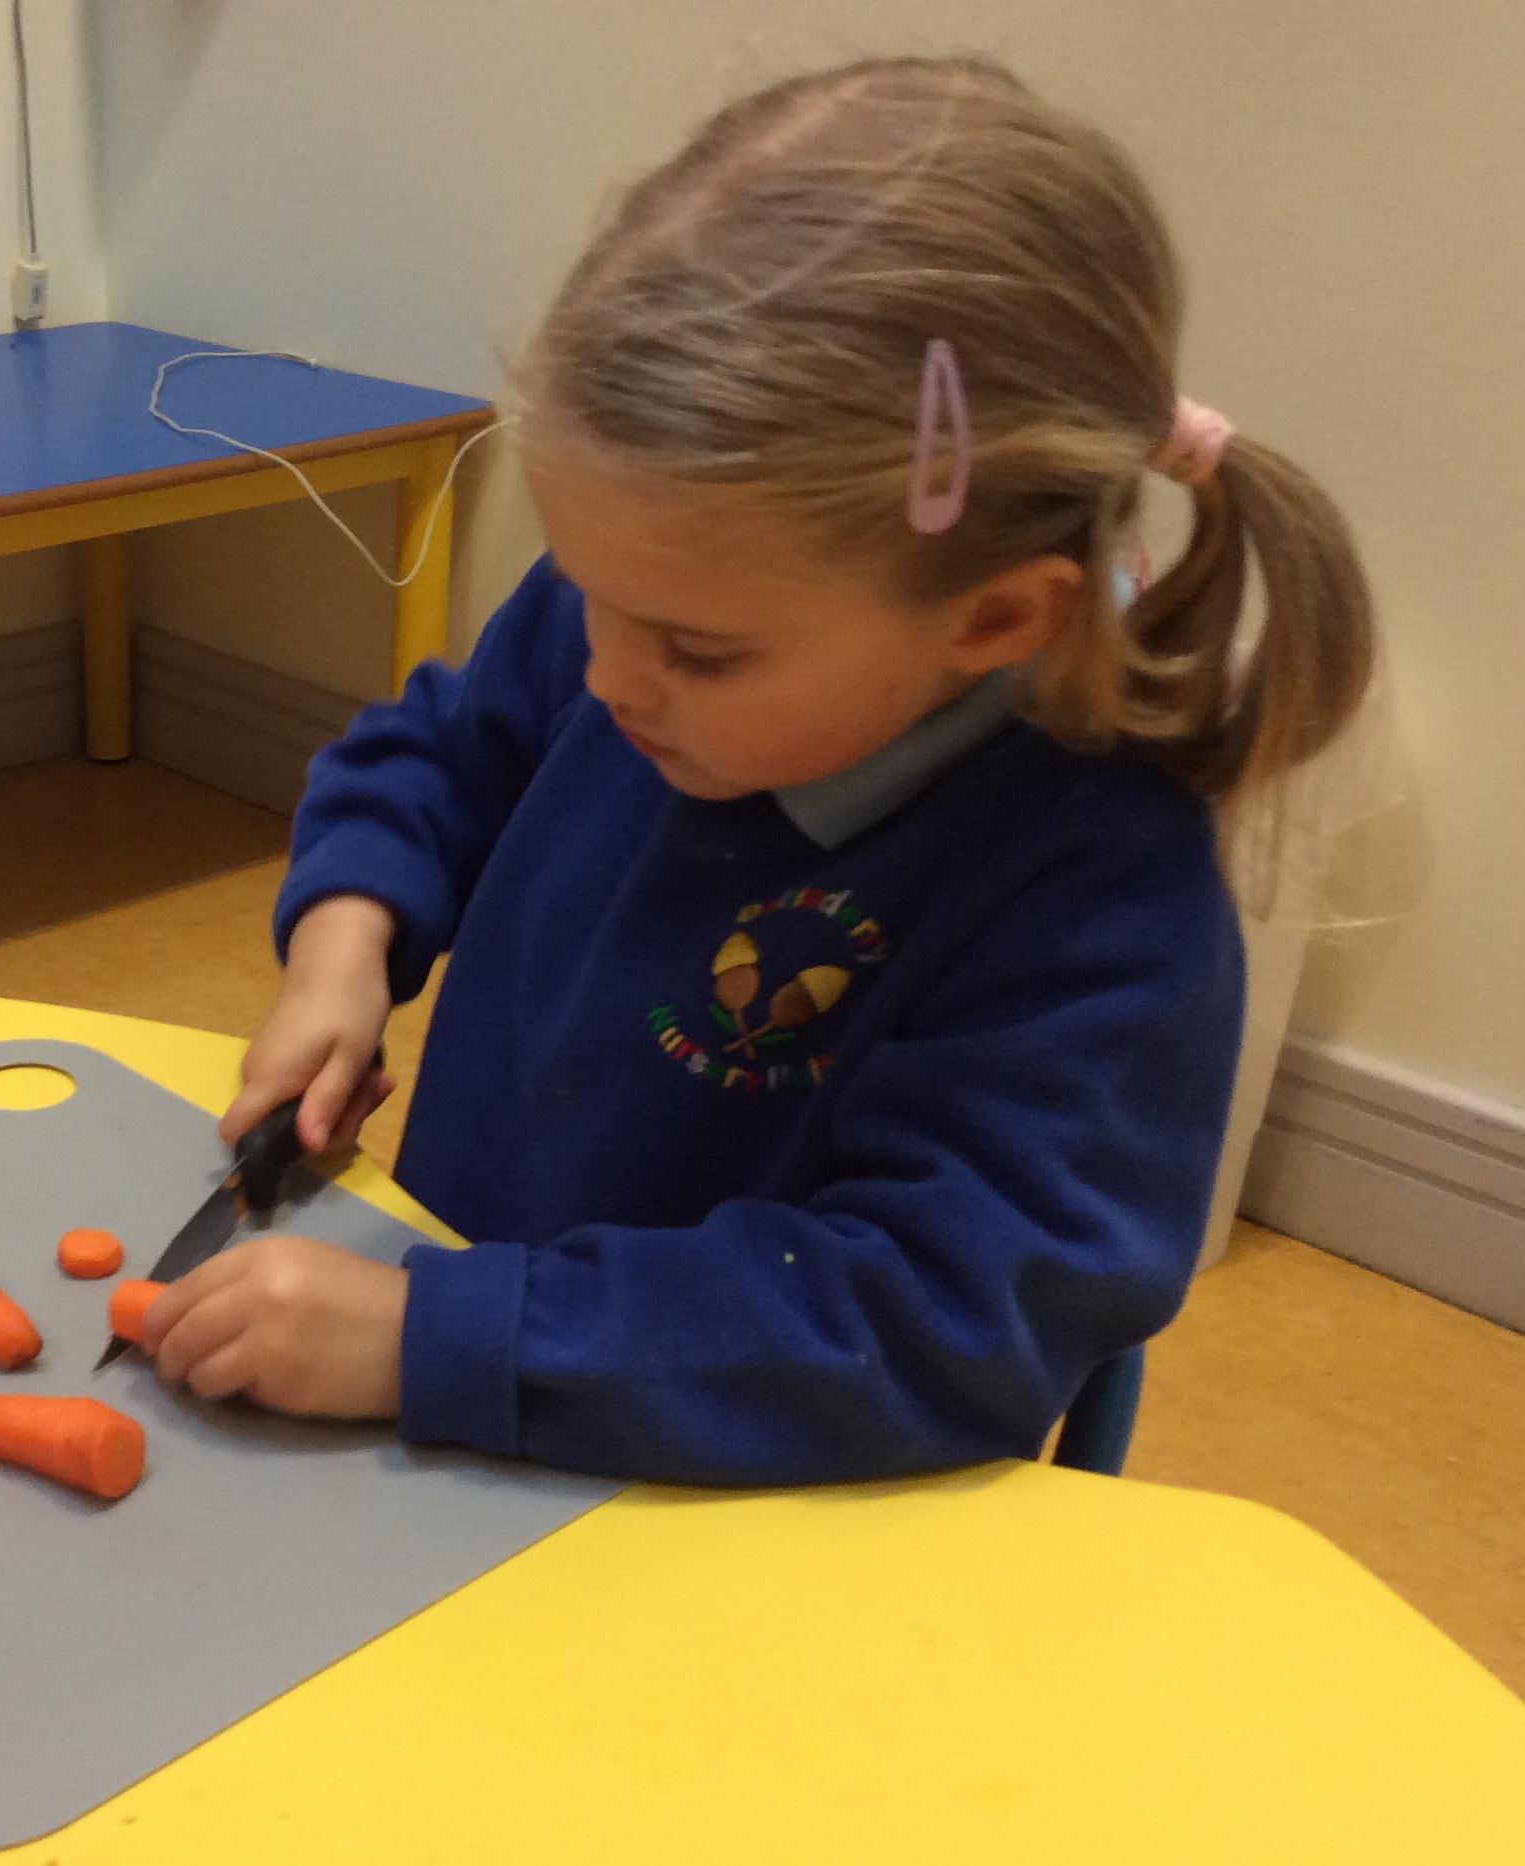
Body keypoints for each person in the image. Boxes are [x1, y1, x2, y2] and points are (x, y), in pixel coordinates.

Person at [138, 55, 1374, 1485]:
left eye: (699, 653)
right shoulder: (645, 615)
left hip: (738, 1492)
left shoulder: (1100, 894)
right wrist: (346, 948)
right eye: (585, 590)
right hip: (474, 1386)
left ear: (993, 623)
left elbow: (931, 1326)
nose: (608, 676)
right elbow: (438, 754)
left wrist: (437, 1335)